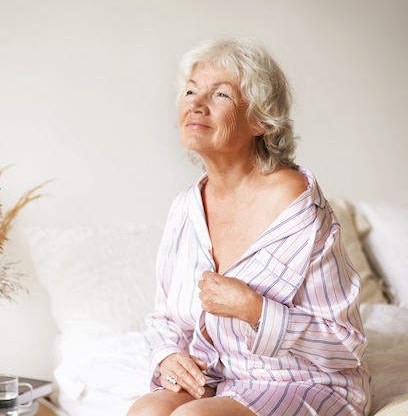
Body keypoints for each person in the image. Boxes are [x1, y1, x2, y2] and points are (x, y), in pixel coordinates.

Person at [126, 38, 371, 416]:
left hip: (302, 380)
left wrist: (255, 309)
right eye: (190, 91)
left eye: (219, 94)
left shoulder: (296, 205)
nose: (195, 102)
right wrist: (168, 355)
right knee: (146, 411)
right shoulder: (185, 209)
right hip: (220, 375)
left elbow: (345, 341)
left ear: (260, 119)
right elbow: (166, 317)